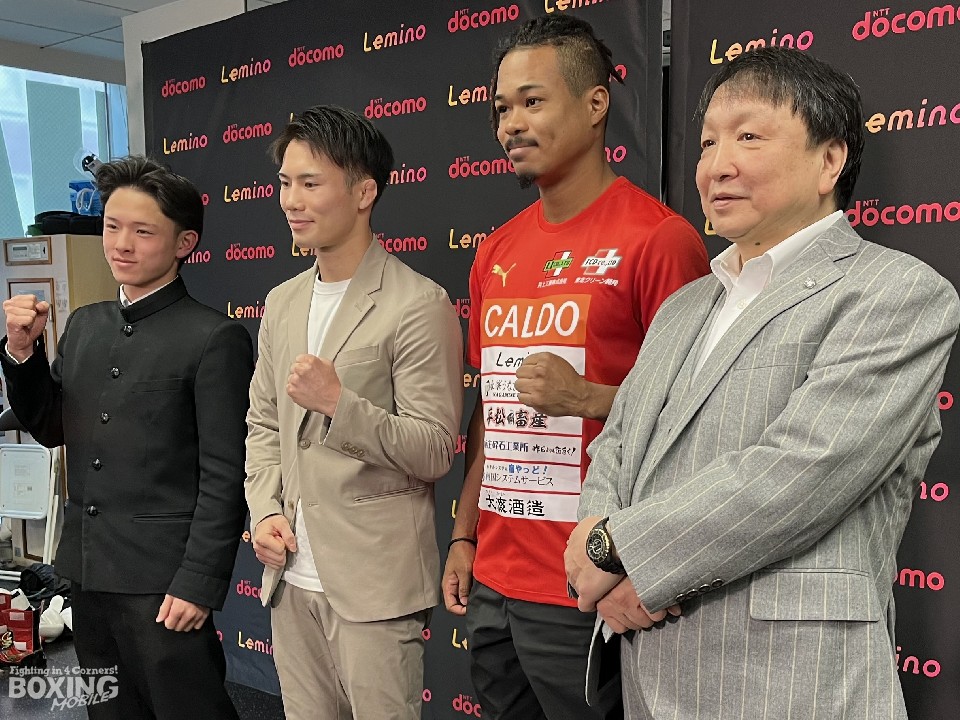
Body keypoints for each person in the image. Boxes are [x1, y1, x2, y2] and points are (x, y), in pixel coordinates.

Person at [565, 46, 960, 719]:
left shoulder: (896, 294)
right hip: (648, 673)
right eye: (708, 142)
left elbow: (802, 472)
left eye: (748, 137)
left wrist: (619, 549)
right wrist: (600, 556)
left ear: (829, 161)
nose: (717, 165)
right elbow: (620, 441)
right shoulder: (684, 305)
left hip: (791, 684)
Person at [442, 15, 709, 720]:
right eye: (502, 108)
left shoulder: (659, 240)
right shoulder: (495, 251)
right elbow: (491, 412)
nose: (511, 124)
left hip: (590, 581)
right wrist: (465, 534)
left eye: (533, 101)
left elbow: (702, 421)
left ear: (595, 105)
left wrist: (589, 397)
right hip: (495, 582)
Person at [1, 155, 252, 719]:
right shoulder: (85, 324)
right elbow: (51, 427)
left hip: (165, 584)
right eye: (112, 226)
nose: (121, 244)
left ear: (184, 242)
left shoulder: (214, 337)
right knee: (108, 711)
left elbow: (224, 474)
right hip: (87, 573)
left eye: (142, 231)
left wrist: (199, 582)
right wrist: (21, 352)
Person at [244, 105, 463, 720]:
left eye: (310, 183)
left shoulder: (417, 303)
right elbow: (264, 423)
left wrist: (340, 405)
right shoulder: (282, 302)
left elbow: (433, 449)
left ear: (364, 192)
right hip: (290, 579)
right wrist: (264, 510)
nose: (291, 200)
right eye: (285, 183)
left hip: (376, 586)